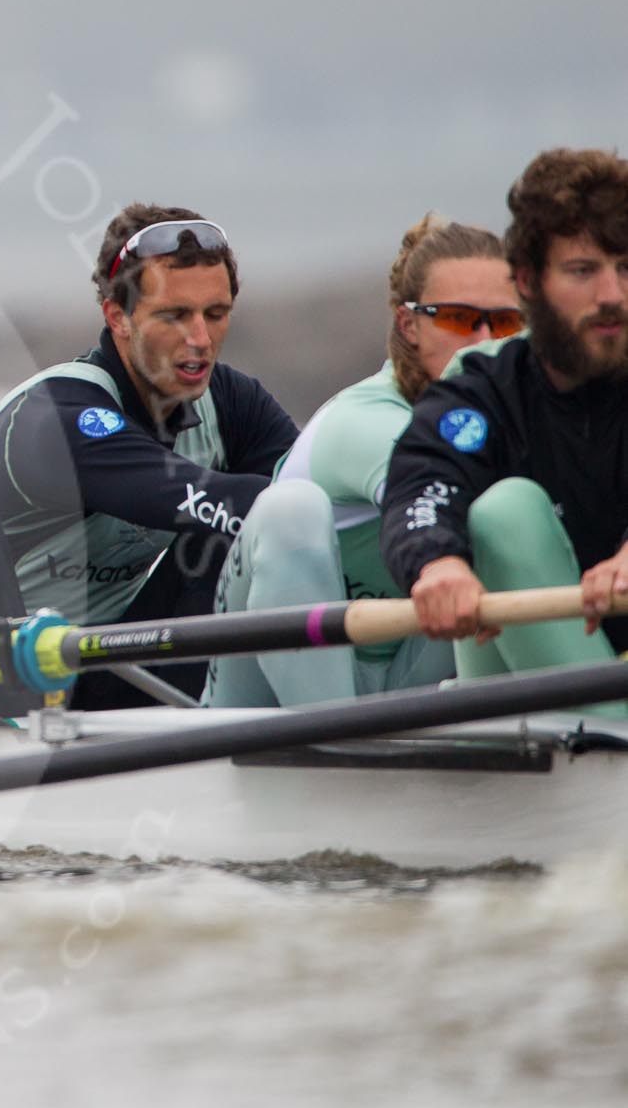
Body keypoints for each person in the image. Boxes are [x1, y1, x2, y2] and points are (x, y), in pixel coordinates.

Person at [0, 204, 298, 720]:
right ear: (118, 317)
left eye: (215, 314)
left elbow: (311, 493)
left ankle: (217, 730)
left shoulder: (233, 402)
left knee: (227, 541)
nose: (200, 338)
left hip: (107, 668)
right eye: (174, 315)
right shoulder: (57, 416)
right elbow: (190, 495)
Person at [203, 215, 523, 706]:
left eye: (504, 322)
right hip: (263, 692)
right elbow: (434, 488)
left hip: (403, 673)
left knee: (512, 512)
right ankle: (330, 742)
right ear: (408, 324)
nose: (484, 342)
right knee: (291, 508)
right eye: (459, 319)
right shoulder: (364, 420)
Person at [382, 147, 628, 709]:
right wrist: (438, 563)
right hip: (530, 679)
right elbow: (423, 481)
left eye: (626, 268)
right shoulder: (484, 390)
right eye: (583, 271)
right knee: (504, 510)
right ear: (527, 282)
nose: (611, 295)